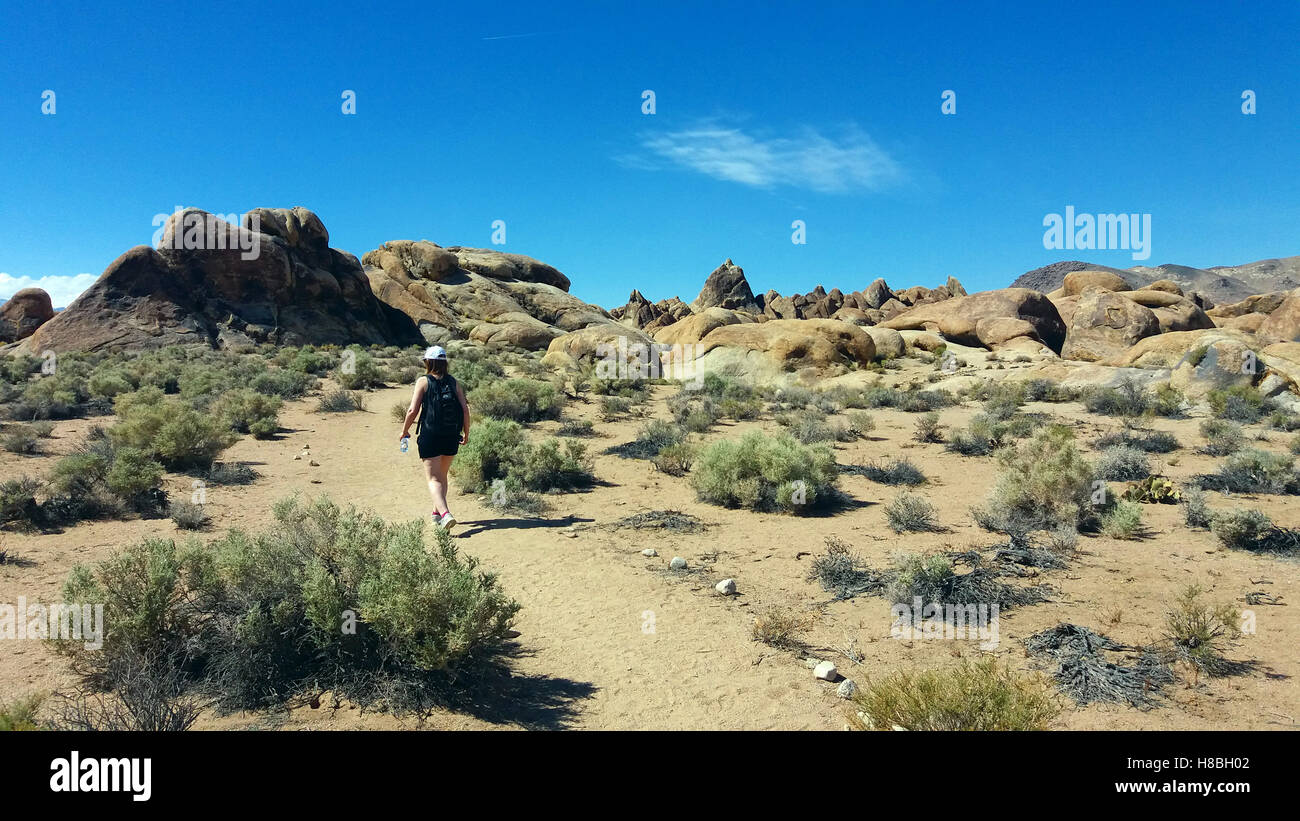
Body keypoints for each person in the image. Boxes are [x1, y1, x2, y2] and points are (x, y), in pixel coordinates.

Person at [399, 346, 470, 531]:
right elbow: (464, 409)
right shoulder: (454, 382)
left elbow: (412, 410)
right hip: (451, 435)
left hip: (430, 435)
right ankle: (436, 514)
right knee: (442, 476)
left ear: (427, 362)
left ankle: (445, 514)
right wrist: (466, 433)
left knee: (433, 479)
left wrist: (404, 430)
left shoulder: (423, 381)